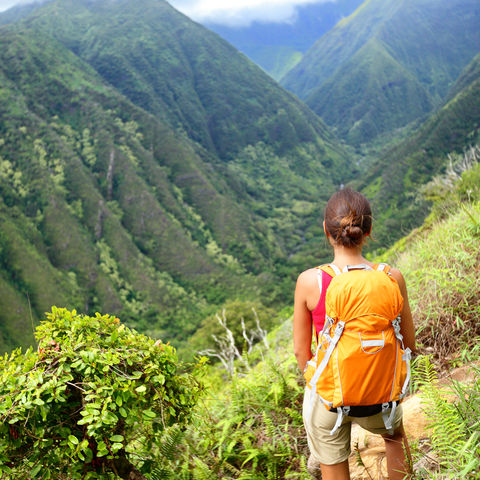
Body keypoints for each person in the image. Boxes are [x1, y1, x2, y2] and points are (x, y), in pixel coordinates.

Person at [293, 187, 416, 480]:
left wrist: (323, 387)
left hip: (330, 399)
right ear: (368, 230)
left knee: (330, 453)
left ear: (326, 230)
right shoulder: (391, 277)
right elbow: (408, 344)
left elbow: (301, 353)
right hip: (381, 395)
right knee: (394, 438)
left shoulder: (311, 281)